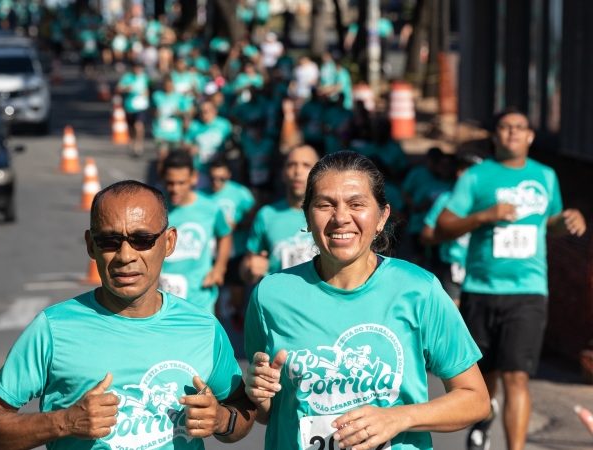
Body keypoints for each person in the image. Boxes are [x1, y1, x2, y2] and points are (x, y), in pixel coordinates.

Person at [0, 180, 255, 450]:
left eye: (142, 239)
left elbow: (242, 412)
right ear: (91, 245)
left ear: (169, 242)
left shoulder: (203, 328)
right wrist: (63, 422)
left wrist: (220, 419)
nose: (125, 255)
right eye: (109, 241)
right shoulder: (53, 328)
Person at [244, 151, 490, 449]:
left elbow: (475, 399)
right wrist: (261, 397)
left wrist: (398, 418)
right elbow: (269, 414)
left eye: (356, 204)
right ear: (307, 216)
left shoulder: (418, 289)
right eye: (324, 205)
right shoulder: (271, 294)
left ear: (381, 217)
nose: (340, 218)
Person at [435, 108, 587, 450]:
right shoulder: (477, 177)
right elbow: (444, 225)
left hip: (528, 291)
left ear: (531, 136)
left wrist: (570, 220)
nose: (513, 133)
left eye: (520, 128)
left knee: (517, 376)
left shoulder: (545, 176)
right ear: (496, 135)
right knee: (483, 378)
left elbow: (550, 222)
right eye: (505, 127)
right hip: (481, 288)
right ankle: (483, 420)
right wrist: (485, 215)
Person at [159, 151, 232, 313]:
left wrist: (219, 268)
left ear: (194, 178)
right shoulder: (155, 206)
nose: (175, 189)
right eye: (170, 183)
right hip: (161, 297)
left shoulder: (210, 209)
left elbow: (225, 235)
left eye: (181, 183)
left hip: (199, 297)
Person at [241, 145, 319, 285]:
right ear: (283, 173)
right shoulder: (267, 215)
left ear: (318, 174)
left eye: (306, 165)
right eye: (291, 165)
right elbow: (246, 268)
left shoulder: (330, 214)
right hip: (278, 302)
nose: (297, 171)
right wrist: (250, 268)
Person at [420, 154, 481, 306]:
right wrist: (451, 231)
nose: (460, 174)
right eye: (460, 169)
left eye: (467, 171)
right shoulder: (446, 199)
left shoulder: (490, 201)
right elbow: (426, 235)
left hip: (482, 269)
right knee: (453, 319)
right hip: (453, 267)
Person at [203, 155, 256, 325]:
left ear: (229, 175)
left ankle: (236, 315)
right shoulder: (202, 195)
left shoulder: (241, 194)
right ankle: (216, 325)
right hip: (211, 253)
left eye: (221, 178)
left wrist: (238, 224)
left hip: (236, 249)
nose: (216, 182)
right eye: (213, 178)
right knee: (213, 292)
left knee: (237, 294)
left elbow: (254, 219)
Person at [116, 62, 150, 156]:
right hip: (130, 106)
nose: (138, 70)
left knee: (138, 125)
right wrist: (126, 88)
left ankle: (139, 144)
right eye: (136, 68)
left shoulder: (144, 77)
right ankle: (132, 139)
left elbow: (148, 88)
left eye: (140, 69)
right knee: (131, 127)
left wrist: (147, 94)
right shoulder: (127, 77)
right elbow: (118, 88)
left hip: (141, 106)